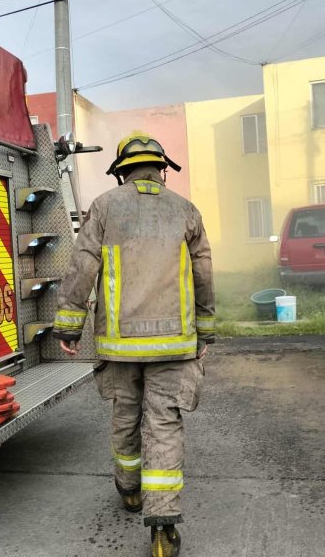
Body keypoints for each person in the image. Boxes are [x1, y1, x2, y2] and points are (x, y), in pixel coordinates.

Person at [53, 132, 215, 557]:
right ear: (162, 169)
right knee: (163, 423)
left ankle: (129, 490)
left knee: (125, 413)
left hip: (120, 346)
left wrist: (69, 324)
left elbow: (83, 265)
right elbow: (203, 274)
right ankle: (163, 528)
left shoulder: (105, 207)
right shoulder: (186, 210)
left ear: (121, 171)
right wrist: (206, 331)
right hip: (174, 345)